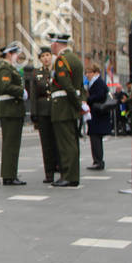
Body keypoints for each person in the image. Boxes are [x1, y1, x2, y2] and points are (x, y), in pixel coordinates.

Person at [49, 33, 84, 187]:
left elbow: (66, 85)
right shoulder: (75, 59)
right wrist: (80, 104)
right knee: (71, 142)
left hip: (63, 107)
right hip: (69, 106)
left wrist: (78, 104)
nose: (51, 47)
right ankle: (71, 175)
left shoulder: (62, 60)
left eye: (52, 43)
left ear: (56, 44)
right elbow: (79, 87)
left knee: (66, 144)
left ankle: (69, 176)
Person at [0, 42, 27, 185]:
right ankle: (8, 175)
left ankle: (11, 173)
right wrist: (21, 91)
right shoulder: (4, 68)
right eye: (15, 54)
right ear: (8, 54)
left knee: (13, 144)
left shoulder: (10, 68)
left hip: (13, 109)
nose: (17, 57)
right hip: (10, 109)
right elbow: (5, 86)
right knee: (10, 144)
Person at [30, 44, 60, 183]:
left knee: (58, 141)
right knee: (46, 143)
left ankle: (60, 167)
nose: (46, 58)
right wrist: (34, 113)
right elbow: (34, 95)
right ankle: (49, 173)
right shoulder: (37, 73)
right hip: (43, 111)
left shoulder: (57, 70)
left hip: (56, 109)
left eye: (48, 55)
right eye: (43, 56)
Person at [85, 63, 111, 170]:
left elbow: (99, 95)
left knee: (96, 138)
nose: (87, 75)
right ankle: (97, 160)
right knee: (95, 138)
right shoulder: (94, 82)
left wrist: (88, 99)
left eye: (89, 72)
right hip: (96, 115)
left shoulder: (98, 82)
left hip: (98, 115)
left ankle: (98, 161)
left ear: (95, 72)